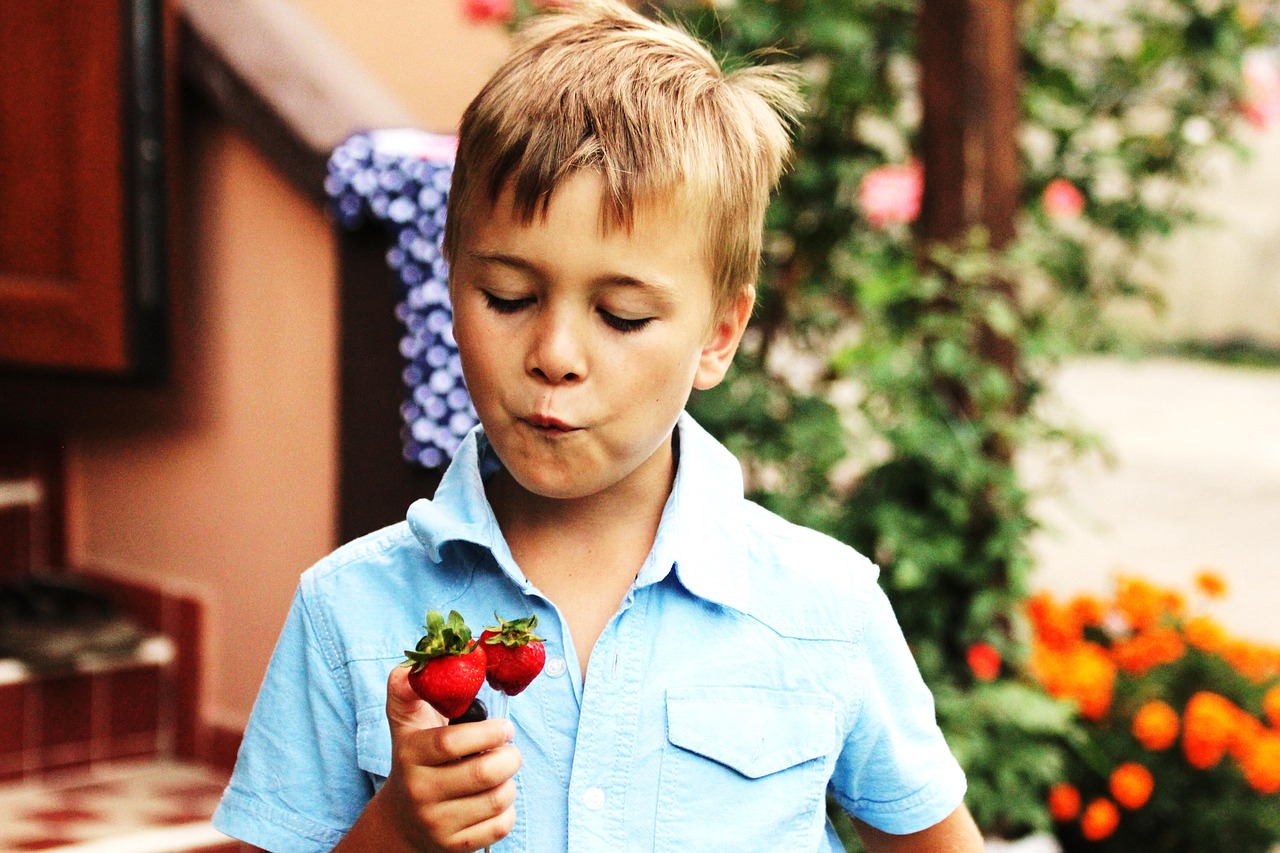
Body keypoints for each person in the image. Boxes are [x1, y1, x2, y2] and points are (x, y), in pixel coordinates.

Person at [212, 1, 985, 850]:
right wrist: (395, 828)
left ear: (718, 336)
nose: (554, 354)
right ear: (451, 287)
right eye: (508, 297)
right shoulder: (348, 610)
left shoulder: (822, 609)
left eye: (620, 315)